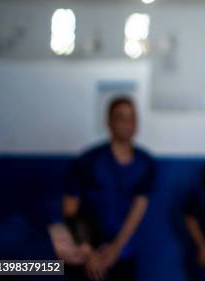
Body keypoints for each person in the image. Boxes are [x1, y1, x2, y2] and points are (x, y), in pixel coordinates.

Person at [62, 96, 156, 281]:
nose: (127, 124)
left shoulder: (146, 163)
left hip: (123, 254)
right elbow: (69, 209)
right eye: (121, 117)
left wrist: (116, 249)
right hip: (84, 254)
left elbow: (137, 210)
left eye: (132, 118)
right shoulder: (88, 161)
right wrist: (88, 253)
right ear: (109, 122)